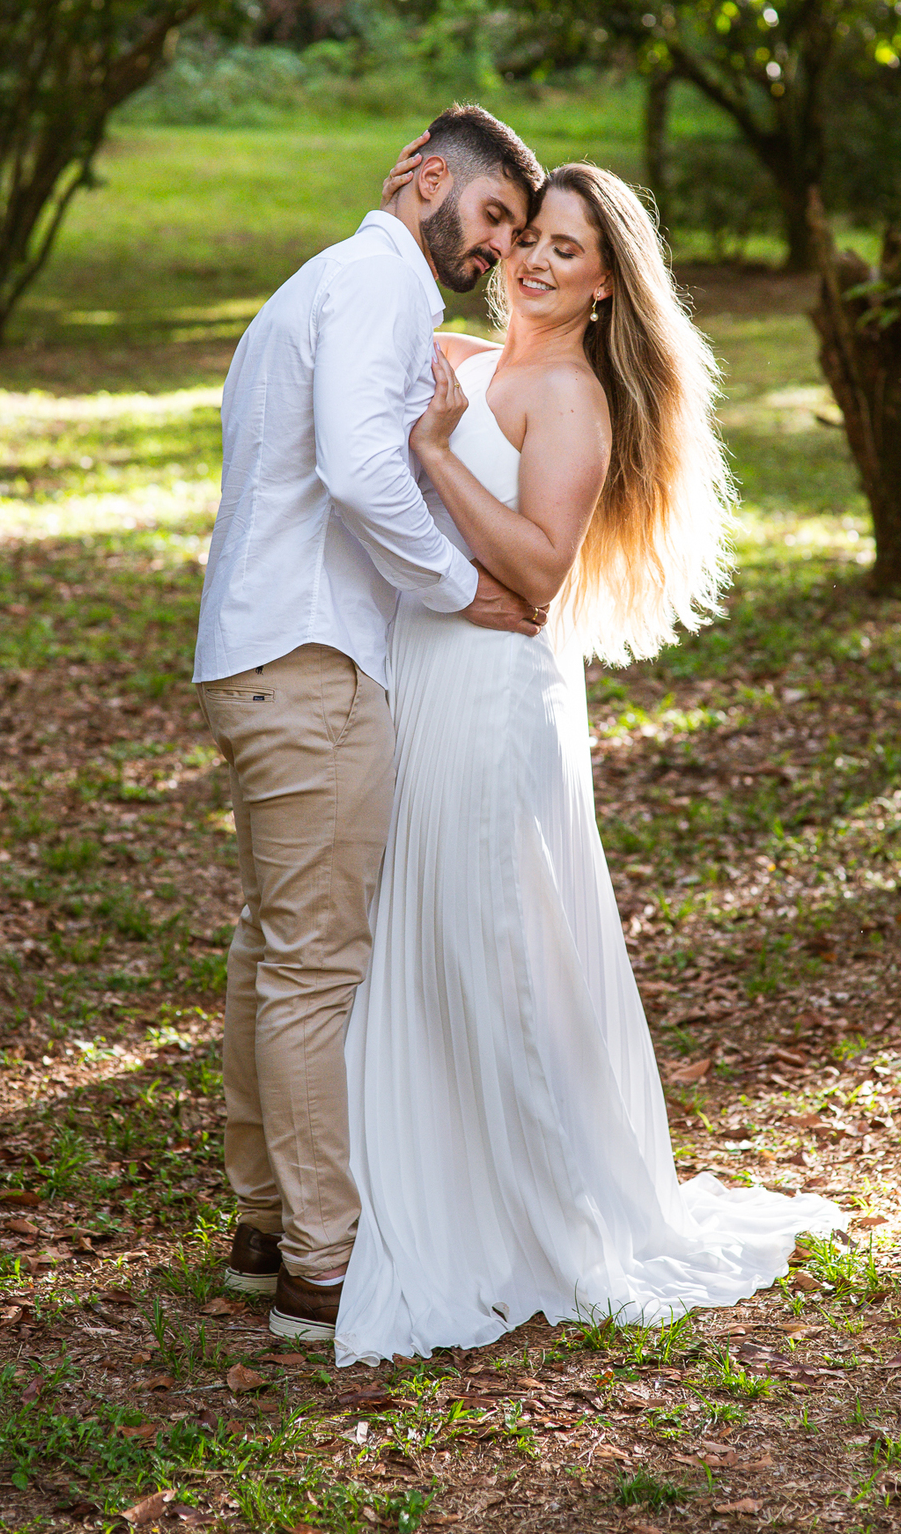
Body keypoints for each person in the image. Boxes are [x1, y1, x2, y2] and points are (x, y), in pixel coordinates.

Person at [335, 155, 844, 1365]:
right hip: (429, 677)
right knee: (427, 931)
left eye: (568, 247)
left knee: (494, 937)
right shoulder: (474, 361)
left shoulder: (566, 396)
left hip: (498, 695)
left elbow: (539, 567)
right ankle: (421, 1172)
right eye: (530, 239)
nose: (536, 259)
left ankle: (535, 1204)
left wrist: (443, 455)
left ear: (607, 283)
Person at [193, 104, 546, 1342]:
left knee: (269, 950)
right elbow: (356, 464)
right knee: (313, 970)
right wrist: (464, 589)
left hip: (258, 654)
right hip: (313, 662)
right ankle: (321, 1267)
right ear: (427, 180)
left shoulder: (328, 282)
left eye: (514, 234)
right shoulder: (377, 281)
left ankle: (260, 1227)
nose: (498, 250)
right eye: (495, 218)